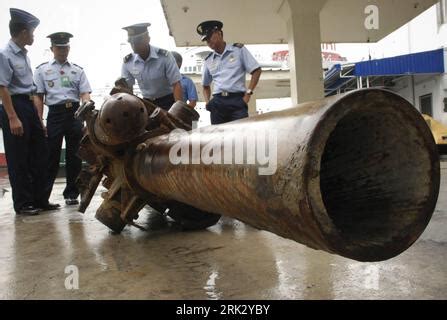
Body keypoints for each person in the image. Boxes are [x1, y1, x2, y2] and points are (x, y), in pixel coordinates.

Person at [0, 8, 60, 215]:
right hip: (14, 107)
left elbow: (31, 89)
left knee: (40, 154)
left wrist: (38, 119)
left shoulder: (23, 55)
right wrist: (12, 117)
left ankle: (40, 199)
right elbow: (2, 87)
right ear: (24, 32)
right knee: (19, 158)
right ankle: (23, 204)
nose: (33, 36)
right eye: (32, 32)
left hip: (28, 106)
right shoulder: (5, 55)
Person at [34, 32, 92, 206]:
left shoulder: (77, 70)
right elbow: (38, 96)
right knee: (50, 155)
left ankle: (71, 194)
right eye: (58, 47)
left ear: (69, 48)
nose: (62, 50)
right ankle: (43, 197)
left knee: (75, 156)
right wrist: (39, 120)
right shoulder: (42, 70)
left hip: (74, 114)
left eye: (65, 47)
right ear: (52, 49)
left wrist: (86, 111)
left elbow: (84, 93)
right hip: (55, 115)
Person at [197, 20, 262, 125]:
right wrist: (208, 102)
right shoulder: (208, 60)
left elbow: (256, 70)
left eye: (210, 37)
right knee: (218, 139)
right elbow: (205, 86)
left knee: (240, 137)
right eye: (206, 40)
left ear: (219, 33)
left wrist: (248, 94)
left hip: (237, 101)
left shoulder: (238, 50)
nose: (208, 41)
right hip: (217, 103)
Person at [121, 23, 182, 111]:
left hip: (168, 102)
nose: (134, 45)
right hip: (146, 104)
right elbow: (127, 89)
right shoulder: (128, 62)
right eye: (131, 42)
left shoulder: (165, 56)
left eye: (137, 42)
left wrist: (177, 110)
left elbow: (176, 84)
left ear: (147, 39)